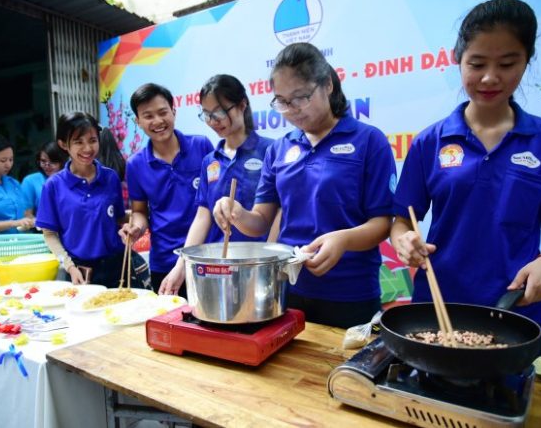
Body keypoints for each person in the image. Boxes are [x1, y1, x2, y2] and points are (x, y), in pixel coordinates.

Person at [390, 0, 541, 361]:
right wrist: (404, 243)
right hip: (437, 310)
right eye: (477, 64)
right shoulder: (430, 142)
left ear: (526, 61)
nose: (490, 77)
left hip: (519, 313)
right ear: (458, 59)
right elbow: (402, 221)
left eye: (507, 64)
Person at [213, 43, 397, 328]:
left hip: (350, 292)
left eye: (300, 98)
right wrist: (235, 212)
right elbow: (260, 221)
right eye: (282, 101)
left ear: (327, 85)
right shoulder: (279, 149)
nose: (291, 110)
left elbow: (382, 223)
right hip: (290, 287)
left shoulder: (368, 141)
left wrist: (343, 240)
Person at [160, 74, 274, 295]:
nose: (213, 121)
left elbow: (277, 215)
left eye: (220, 112)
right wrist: (181, 265)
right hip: (216, 269)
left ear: (242, 104)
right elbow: (203, 218)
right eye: (207, 114)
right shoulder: (210, 161)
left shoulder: (270, 151)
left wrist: (271, 263)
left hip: (256, 267)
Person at [119, 83, 214, 294]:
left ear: (174, 111)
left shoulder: (202, 146)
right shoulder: (135, 164)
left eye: (163, 112)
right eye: (148, 116)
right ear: (138, 121)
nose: (157, 121)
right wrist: (136, 229)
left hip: (207, 256)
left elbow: (215, 198)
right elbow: (140, 211)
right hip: (164, 261)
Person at [36, 112, 130, 286]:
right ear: (63, 144)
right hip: (79, 272)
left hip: (116, 268)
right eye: (79, 142)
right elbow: (49, 234)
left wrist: (140, 217)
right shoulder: (53, 186)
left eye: (92, 140)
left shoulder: (110, 177)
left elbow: (118, 218)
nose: (87, 149)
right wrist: (70, 267)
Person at [21, 141, 68, 216]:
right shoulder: (30, 180)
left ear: (62, 162)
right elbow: (26, 214)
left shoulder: (72, 179)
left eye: (52, 162)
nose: (47, 165)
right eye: (43, 161)